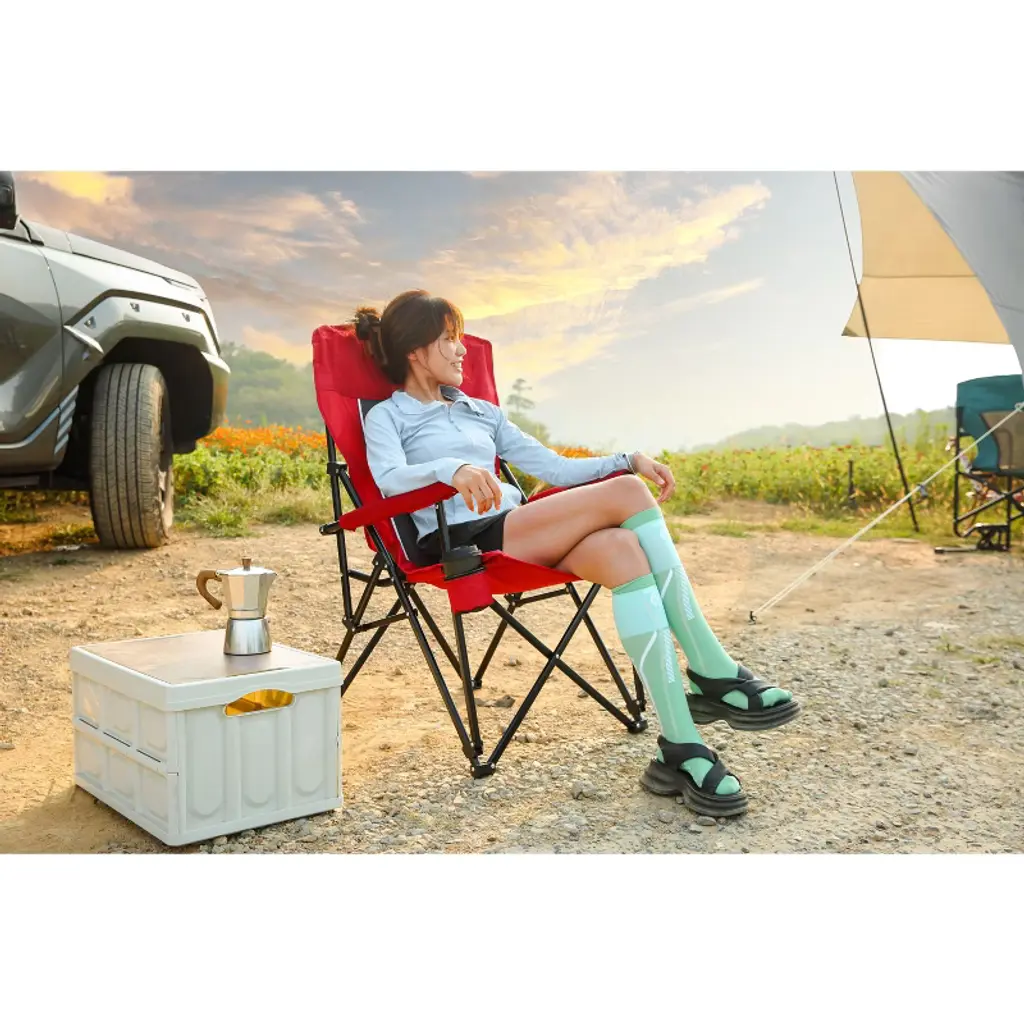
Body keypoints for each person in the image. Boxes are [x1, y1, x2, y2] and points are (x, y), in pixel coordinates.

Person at [355, 289, 800, 817]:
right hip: (459, 542)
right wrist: (449, 469)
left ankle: (681, 746)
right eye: (449, 340)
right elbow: (388, 480)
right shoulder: (388, 417)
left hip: (515, 529)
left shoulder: (480, 411)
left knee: (622, 549)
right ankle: (711, 668)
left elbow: (557, 469)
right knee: (629, 493)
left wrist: (628, 458)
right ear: (415, 350)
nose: (462, 350)